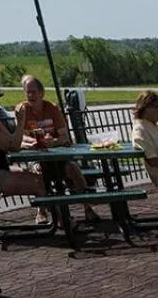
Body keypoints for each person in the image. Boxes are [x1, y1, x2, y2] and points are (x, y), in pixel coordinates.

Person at [13, 75, 98, 225]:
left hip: (57, 156)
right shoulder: (22, 110)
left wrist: (53, 142)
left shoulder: (52, 108)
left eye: (33, 92)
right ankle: (42, 210)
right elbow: (20, 137)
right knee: (37, 172)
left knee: (73, 169)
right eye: (28, 92)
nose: (30, 95)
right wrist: (34, 142)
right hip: (37, 157)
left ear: (41, 93)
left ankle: (87, 208)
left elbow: (65, 135)